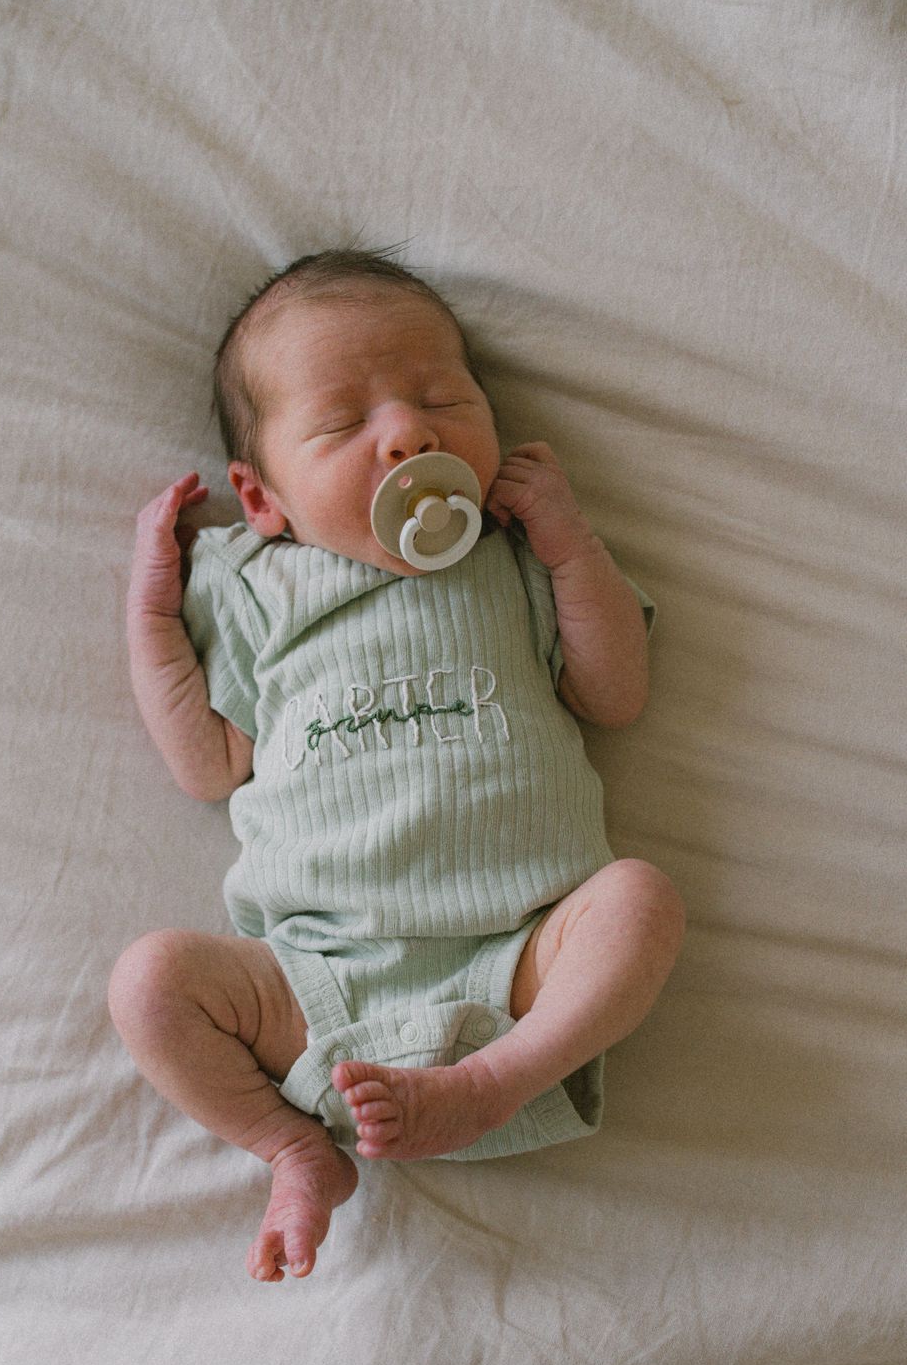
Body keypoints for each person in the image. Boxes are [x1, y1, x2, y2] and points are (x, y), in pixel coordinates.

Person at [109, 249, 685, 1284]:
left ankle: (494, 1082)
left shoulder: (514, 556)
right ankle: (293, 1149)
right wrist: (152, 616)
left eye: (442, 400)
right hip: (316, 976)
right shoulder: (255, 586)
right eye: (343, 424)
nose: (409, 435)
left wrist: (569, 547)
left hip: (521, 951)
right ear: (263, 498)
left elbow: (616, 696)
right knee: (149, 985)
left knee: (639, 901)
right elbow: (206, 763)